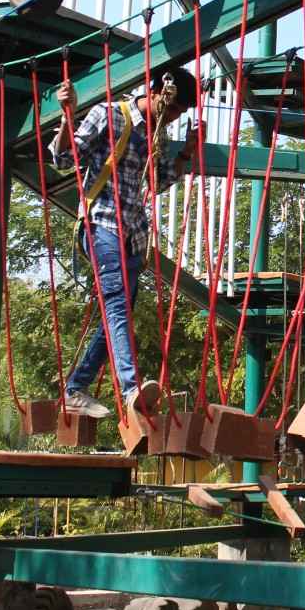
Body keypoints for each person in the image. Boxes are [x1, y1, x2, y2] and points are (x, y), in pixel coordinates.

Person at [51, 68, 201, 420]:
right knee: (117, 302)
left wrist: (184, 155)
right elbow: (63, 160)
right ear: (156, 92)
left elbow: (157, 180)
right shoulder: (109, 114)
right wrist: (66, 115)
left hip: (133, 235)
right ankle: (131, 388)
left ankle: (76, 388)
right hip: (100, 224)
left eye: (180, 112)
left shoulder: (155, 134)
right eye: (173, 107)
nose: (174, 116)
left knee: (116, 313)